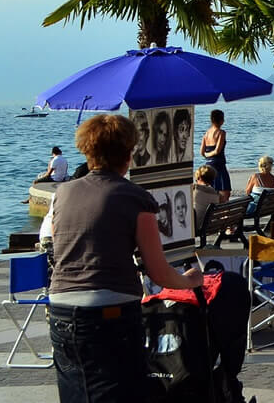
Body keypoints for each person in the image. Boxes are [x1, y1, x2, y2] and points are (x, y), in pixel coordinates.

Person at [49, 114, 205, 401]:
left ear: (88, 150)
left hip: (61, 308)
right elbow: (158, 272)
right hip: (110, 313)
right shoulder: (135, 197)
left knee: (75, 392)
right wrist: (189, 280)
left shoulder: (64, 193)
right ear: (128, 153)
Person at [201, 109, 232, 202]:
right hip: (219, 165)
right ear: (221, 120)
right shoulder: (221, 132)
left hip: (208, 165)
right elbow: (217, 151)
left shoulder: (207, 133)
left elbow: (202, 152)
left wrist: (206, 155)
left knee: (213, 190)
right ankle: (224, 214)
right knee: (225, 191)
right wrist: (209, 154)